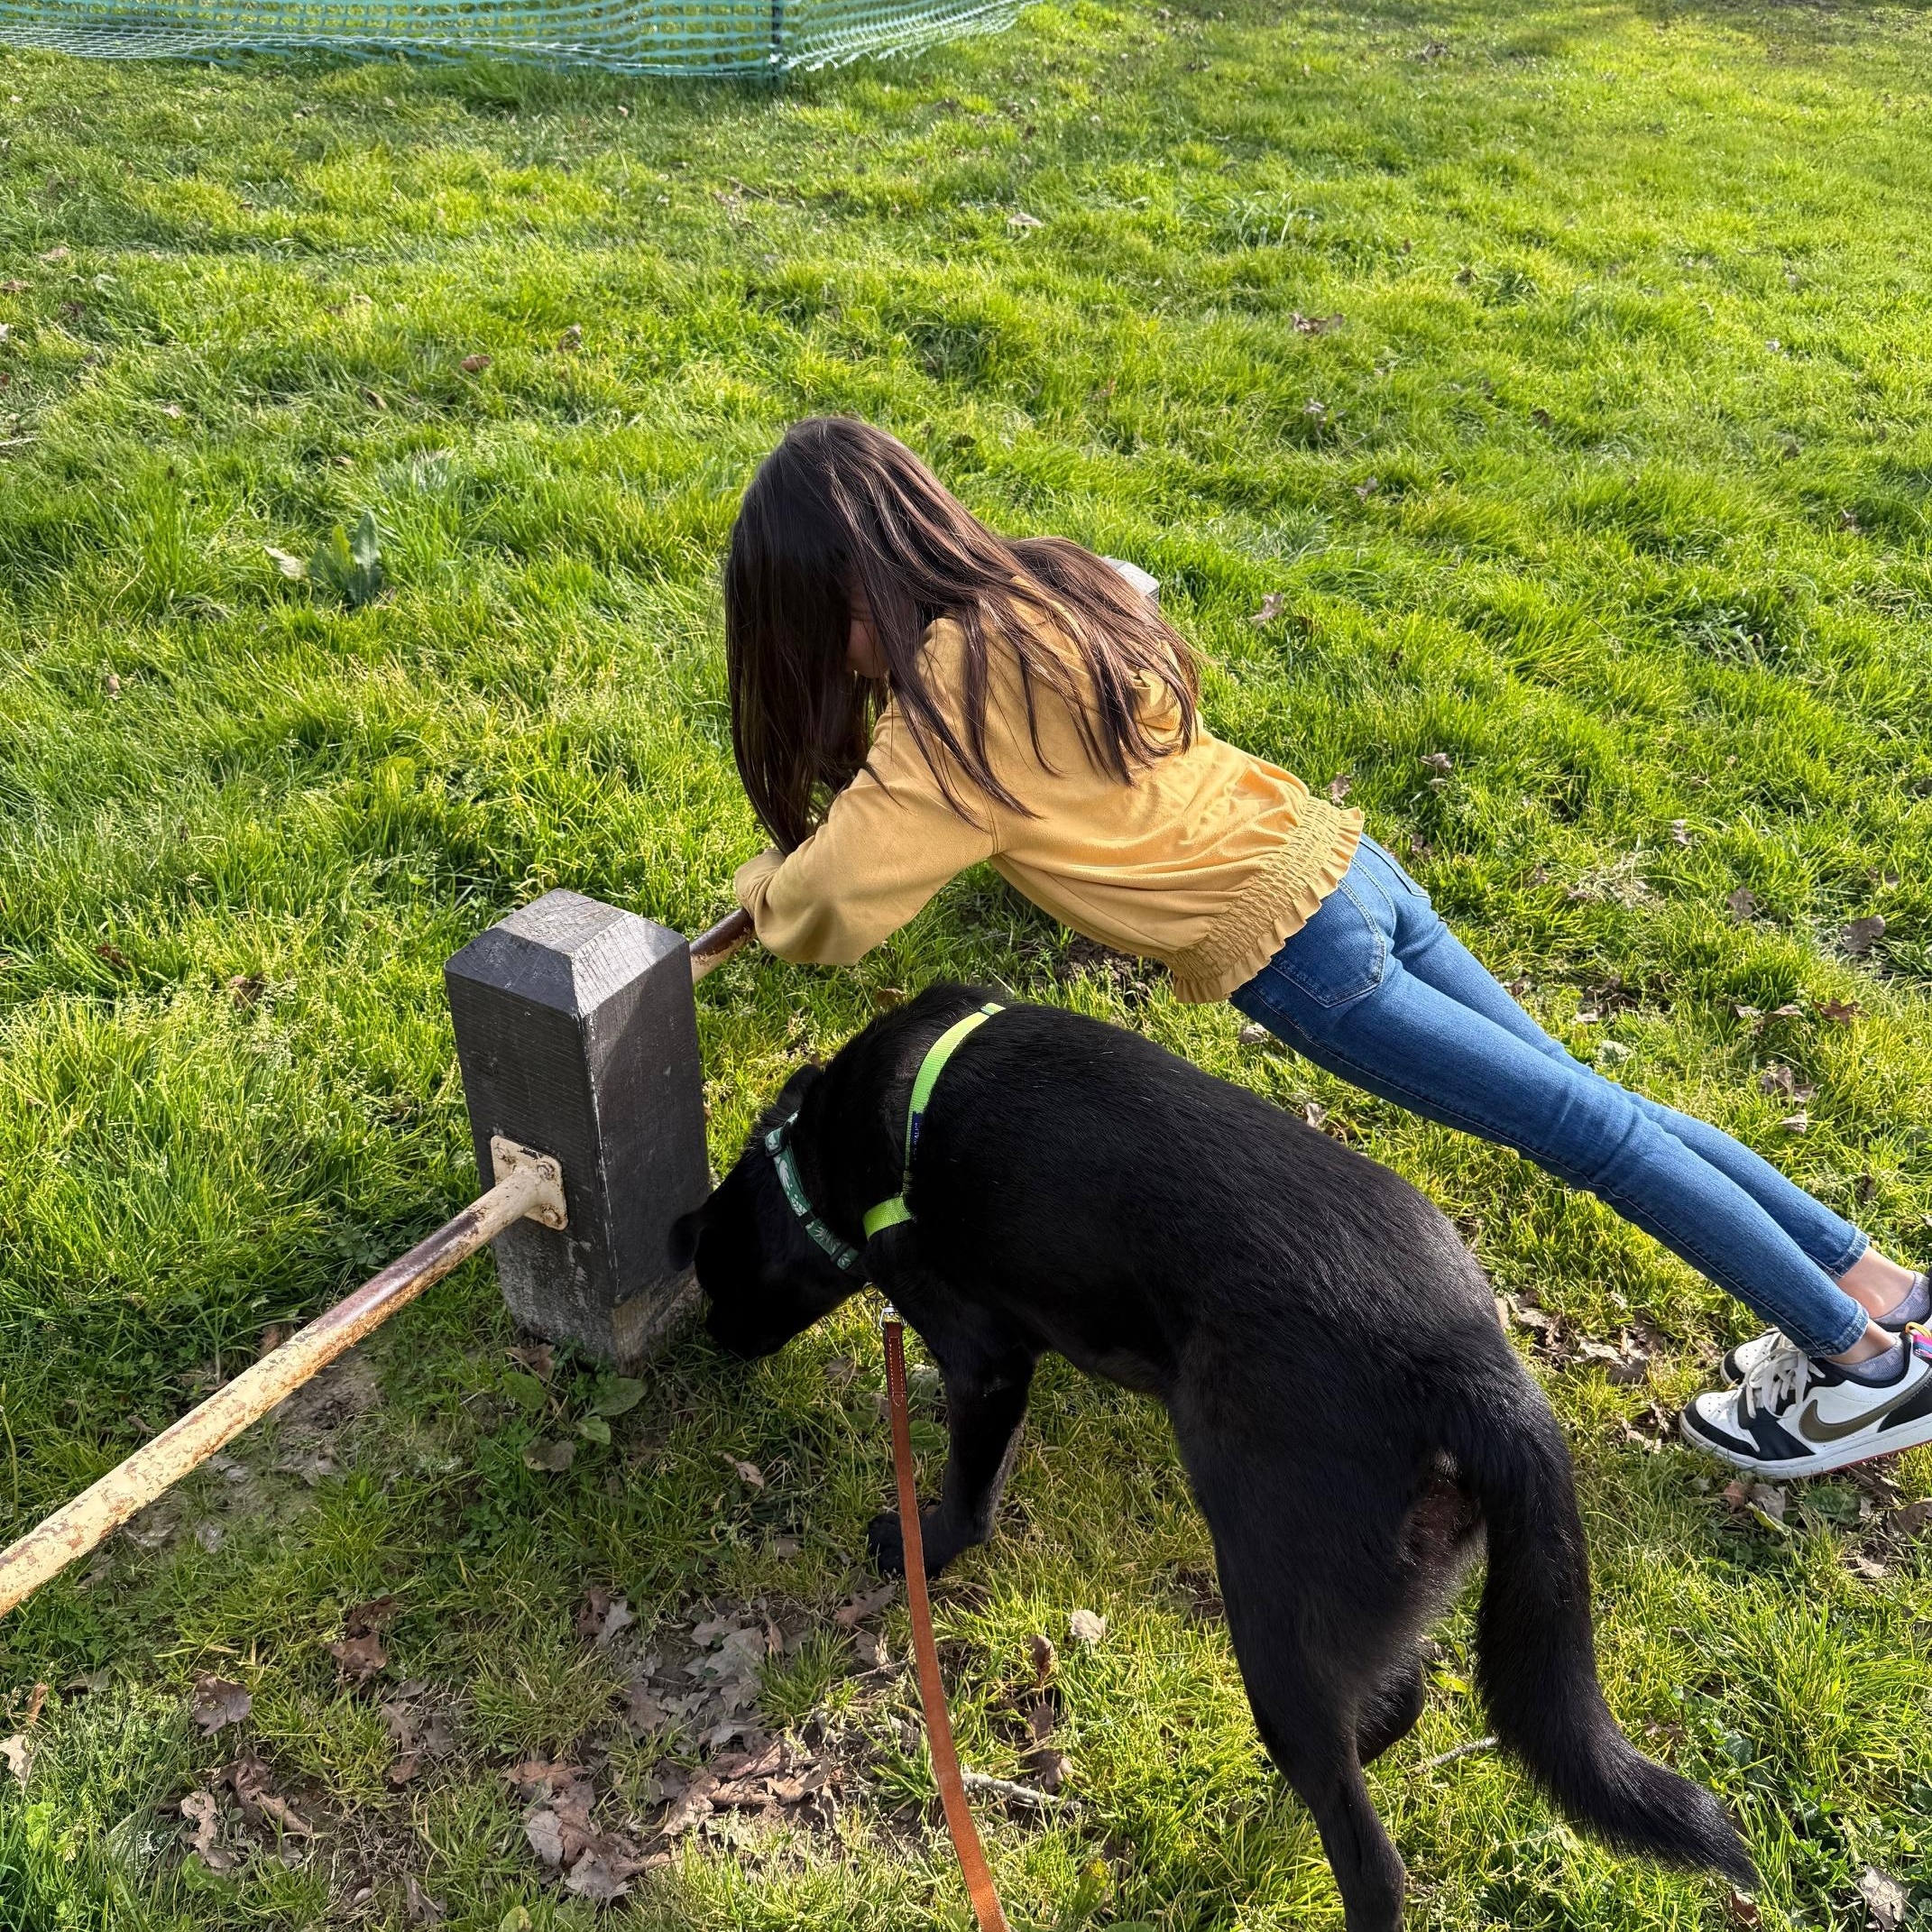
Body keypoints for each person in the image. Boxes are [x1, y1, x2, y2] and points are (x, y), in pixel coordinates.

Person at [720, 416, 1929, 1479]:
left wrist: (764, 888)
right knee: (1594, 1105)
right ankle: (1873, 1285)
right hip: (1342, 861)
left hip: (1300, 950)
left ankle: (1859, 1367)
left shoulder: (950, 690)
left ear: (850, 587)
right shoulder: (1048, 584)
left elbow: (842, 897)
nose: (830, 663)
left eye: (813, 626)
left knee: (1584, 1131)